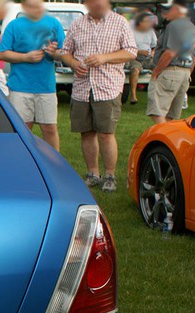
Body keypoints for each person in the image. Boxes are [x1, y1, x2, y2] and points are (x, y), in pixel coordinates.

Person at [58, 0, 136, 192]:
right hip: (82, 88)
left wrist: (104, 58)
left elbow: (131, 51)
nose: (98, 4)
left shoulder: (119, 22)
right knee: (86, 133)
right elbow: (64, 52)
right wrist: (74, 64)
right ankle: (93, 173)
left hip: (107, 87)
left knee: (106, 134)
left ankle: (110, 176)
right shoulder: (78, 24)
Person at [0, 0, 64, 149]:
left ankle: (54, 165)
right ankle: (23, 162)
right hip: (20, 86)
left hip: (46, 87)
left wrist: (54, 53)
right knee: (23, 129)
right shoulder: (15, 25)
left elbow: (63, 53)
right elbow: (2, 53)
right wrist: (25, 57)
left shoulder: (54, 23)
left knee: (49, 129)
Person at [147, 0, 195, 124]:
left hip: (170, 71)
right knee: (171, 116)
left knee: (157, 112)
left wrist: (155, 73)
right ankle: (171, 139)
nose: (164, 12)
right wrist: (188, 75)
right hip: (185, 72)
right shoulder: (192, 27)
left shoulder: (174, 25)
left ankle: (166, 140)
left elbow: (170, 53)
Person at [127, 12, 158, 105]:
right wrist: (138, 52)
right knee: (135, 70)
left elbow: (155, 46)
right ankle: (133, 96)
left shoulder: (150, 31)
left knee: (160, 68)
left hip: (148, 58)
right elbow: (125, 48)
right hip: (134, 58)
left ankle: (158, 97)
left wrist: (152, 53)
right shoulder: (130, 32)